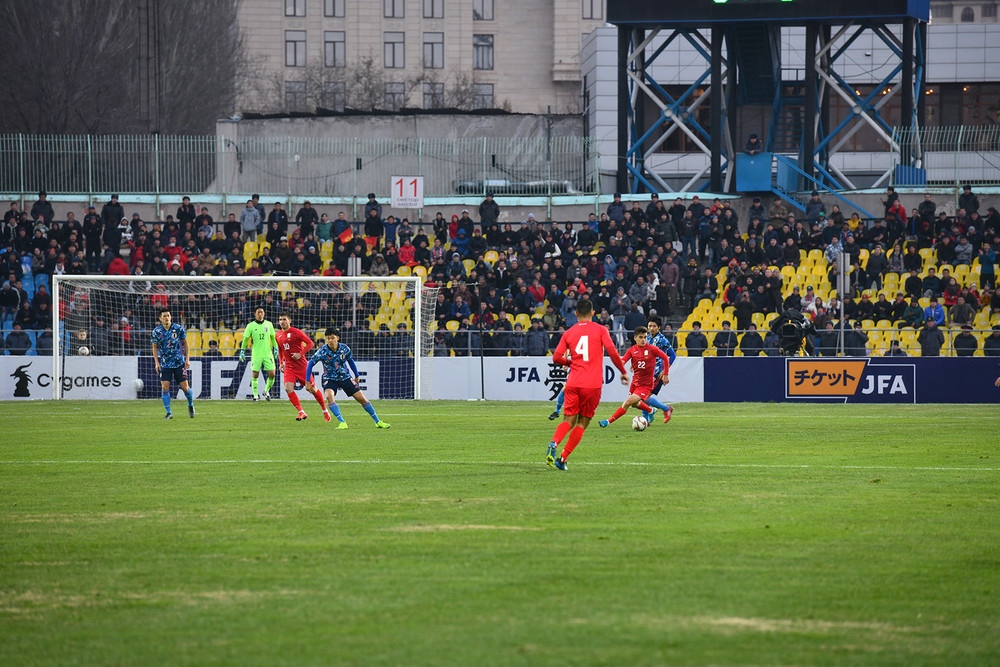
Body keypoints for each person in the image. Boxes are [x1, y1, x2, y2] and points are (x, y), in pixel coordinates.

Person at [546, 299, 628, 472]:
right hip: (592, 385)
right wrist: (623, 371)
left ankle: (554, 442)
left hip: (573, 382)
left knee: (568, 420)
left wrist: (570, 363)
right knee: (582, 423)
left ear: (576, 314)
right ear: (592, 313)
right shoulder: (601, 330)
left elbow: (556, 357)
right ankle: (563, 458)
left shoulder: (568, 333)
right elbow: (613, 352)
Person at [307, 327, 391, 429]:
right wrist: (307, 381)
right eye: (328, 338)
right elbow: (310, 364)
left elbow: (350, 361)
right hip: (329, 378)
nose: (330, 340)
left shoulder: (345, 348)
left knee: (362, 399)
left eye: (332, 338)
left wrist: (356, 375)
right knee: (329, 396)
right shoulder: (322, 351)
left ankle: (378, 422)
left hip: (345, 377)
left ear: (338, 338)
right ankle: (342, 422)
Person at [598, 325, 672, 429]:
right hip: (635, 383)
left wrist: (666, 374)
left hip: (646, 385)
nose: (643, 340)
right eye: (641, 337)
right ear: (635, 338)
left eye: (645, 337)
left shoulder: (652, 349)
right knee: (634, 404)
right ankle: (651, 410)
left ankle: (608, 421)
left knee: (627, 403)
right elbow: (623, 361)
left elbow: (665, 358)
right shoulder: (631, 350)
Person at [275, 312, 330, 422]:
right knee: (288, 388)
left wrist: (300, 354)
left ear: (290, 321)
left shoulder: (296, 332)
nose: (282, 322)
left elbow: (310, 344)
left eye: (284, 319)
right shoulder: (278, 335)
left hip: (302, 366)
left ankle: (325, 410)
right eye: (280, 319)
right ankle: (301, 412)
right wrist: (281, 363)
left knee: (311, 389)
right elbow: (280, 349)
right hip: (289, 367)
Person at [150, 308, 195, 419]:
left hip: (179, 362)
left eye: (168, 316)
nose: (167, 318)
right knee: (165, 386)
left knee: (185, 388)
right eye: (164, 316)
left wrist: (187, 359)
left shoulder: (178, 328)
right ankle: (169, 412)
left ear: (171, 317)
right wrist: (156, 362)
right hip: (165, 364)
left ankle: (190, 404)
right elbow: (154, 347)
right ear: (160, 318)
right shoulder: (156, 332)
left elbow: (186, 343)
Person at [239, 306, 279, 401]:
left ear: (264, 313)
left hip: (267, 353)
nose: (260, 314)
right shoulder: (250, 326)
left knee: (272, 374)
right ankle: (255, 395)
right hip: (256, 354)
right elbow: (245, 339)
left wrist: (276, 348)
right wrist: (242, 351)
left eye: (262, 312)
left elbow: (273, 338)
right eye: (258, 312)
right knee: (255, 374)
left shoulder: (269, 324)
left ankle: (266, 390)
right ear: (255, 314)